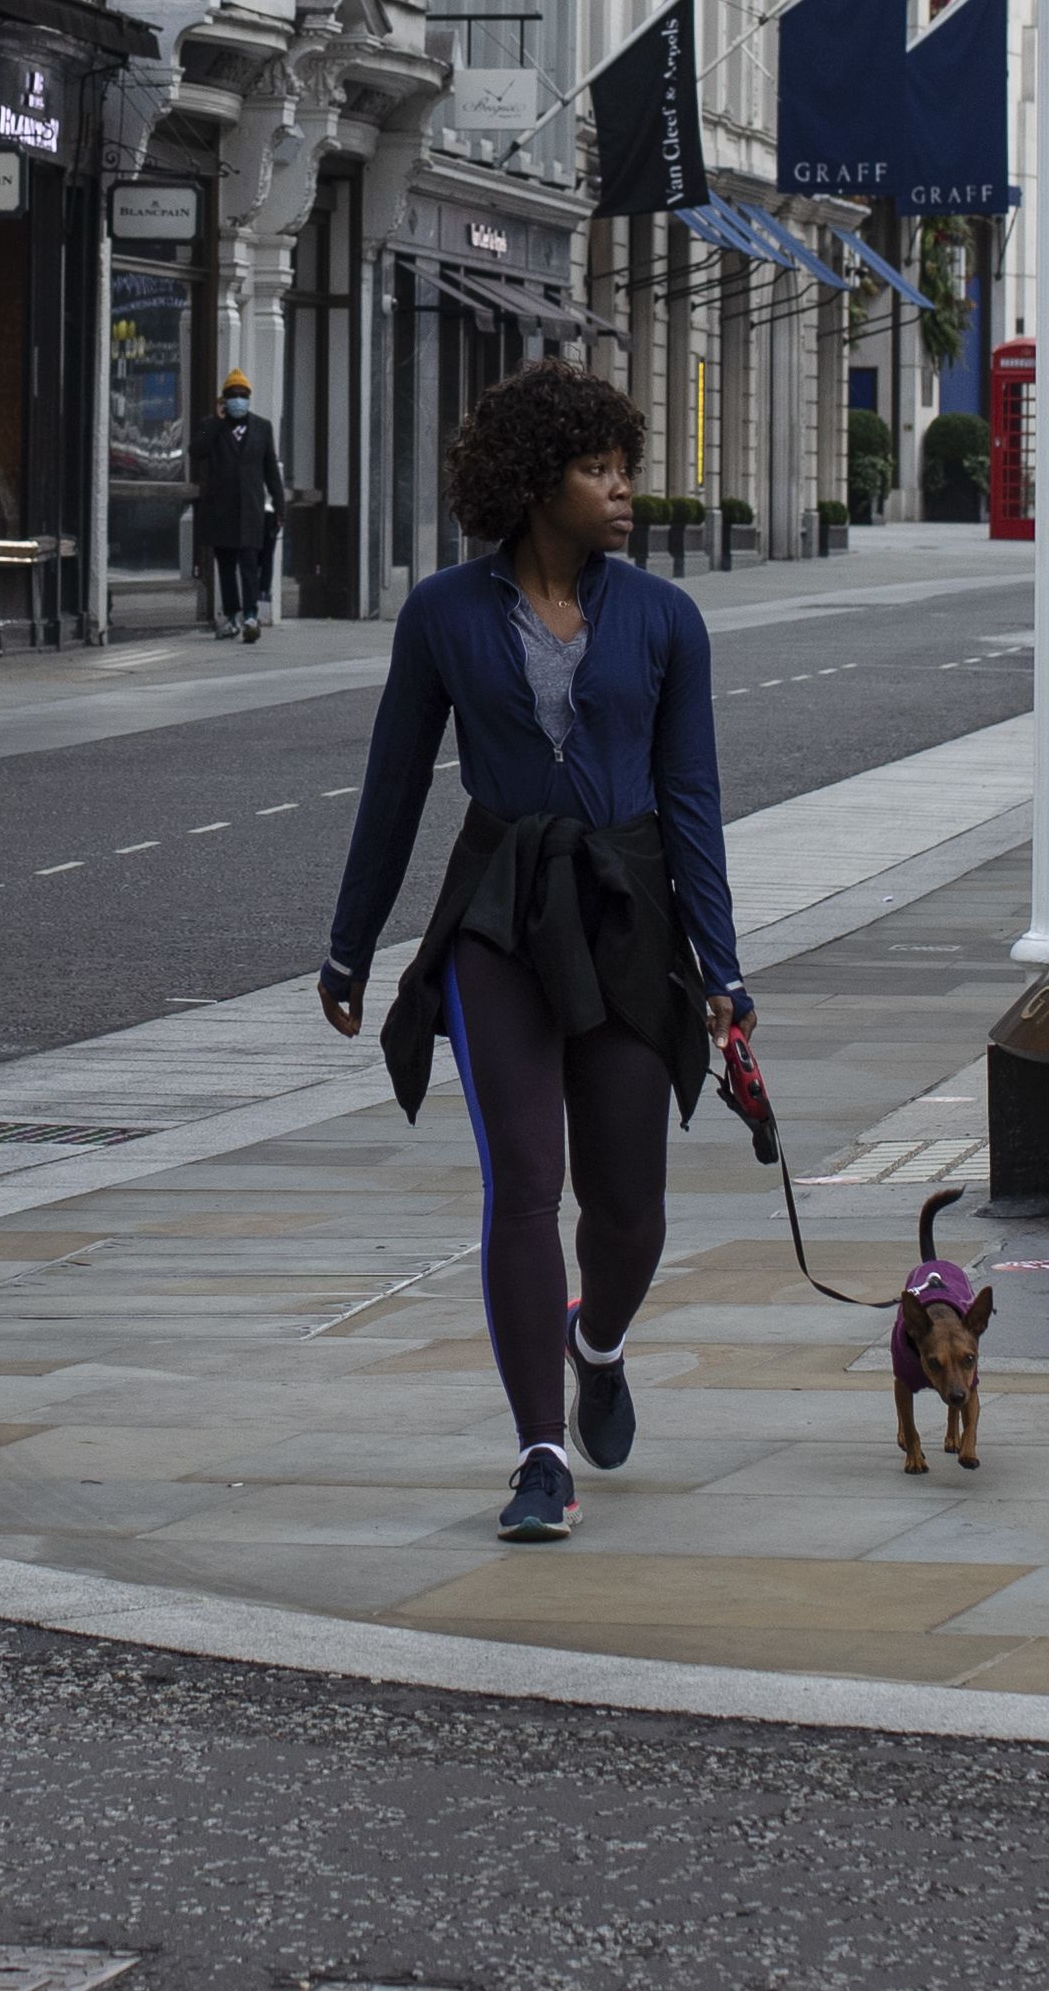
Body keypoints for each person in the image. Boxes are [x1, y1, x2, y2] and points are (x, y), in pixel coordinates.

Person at [314, 360, 743, 1545]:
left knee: (630, 1206)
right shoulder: (443, 615)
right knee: (522, 1181)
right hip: (498, 913)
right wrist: (348, 948)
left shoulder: (664, 619)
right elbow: (395, 786)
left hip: (624, 913)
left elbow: (692, 799)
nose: (622, 491)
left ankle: (595, 1343)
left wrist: (724, 972)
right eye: (598, 469)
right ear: (533, 480)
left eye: (625, 468)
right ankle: (538, 1454)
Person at [191, 366, 286, 640]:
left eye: (242, 394)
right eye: (232, 395)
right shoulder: (213, 426)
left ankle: (251, 616)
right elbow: (196, 451)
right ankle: (231, 616)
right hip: (221, 510)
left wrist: (280, 507)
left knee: (249, 565)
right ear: (223, 399)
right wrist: (218, 423)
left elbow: (271, 471)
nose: (238, 399)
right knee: (226, 567)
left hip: (251, 511)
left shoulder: (262, 428)